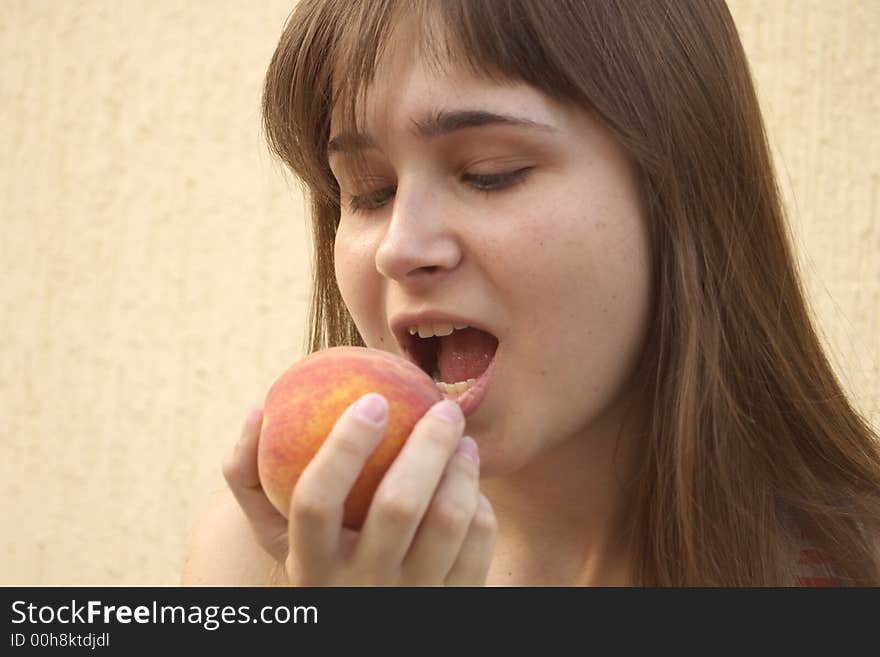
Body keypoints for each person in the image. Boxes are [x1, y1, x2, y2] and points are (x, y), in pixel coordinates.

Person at [182, 0, 880, 586]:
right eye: (368, 192)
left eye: (491, 172)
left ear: (680, 194)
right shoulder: (261, 566)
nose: (399, 246)